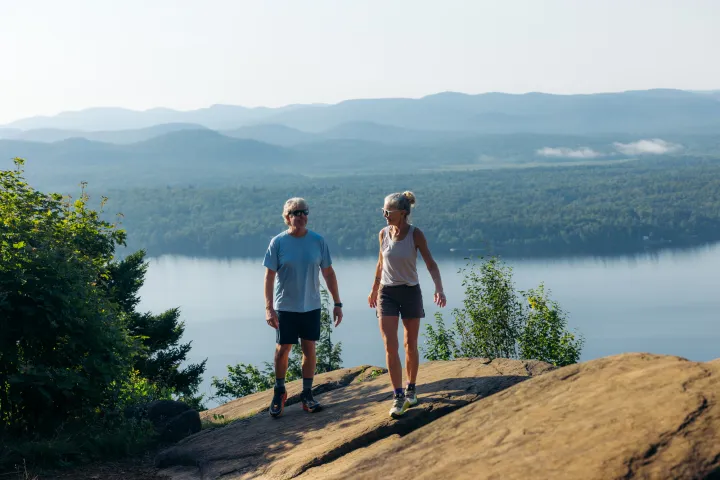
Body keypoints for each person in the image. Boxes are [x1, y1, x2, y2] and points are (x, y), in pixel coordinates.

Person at [368, 191, 446, 418]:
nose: (384, 215)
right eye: (382, 211)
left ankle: (411, 388)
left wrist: (439, 288)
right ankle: (398, 395)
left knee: (410, 344)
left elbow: (431, 264)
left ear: (402, 213)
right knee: (390, 345)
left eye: (388, 212)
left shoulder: (415, 234)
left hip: (411, 292)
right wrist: (374, 289)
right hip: (387, 293)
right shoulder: (383, 234)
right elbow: (380, 264)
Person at [263, 197, 343, 418]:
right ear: (287, 217)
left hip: (311, 305)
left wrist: (337, 303)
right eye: (295, 212)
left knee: (309, 348)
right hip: (285, 306)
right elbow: (269, 277)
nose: (300, 216)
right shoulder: (278, 242)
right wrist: (269, 308)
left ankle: (307, 394)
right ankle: (279, 391)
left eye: (304, 212)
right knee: (283, 348)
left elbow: (328, 273)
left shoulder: (318, 241)